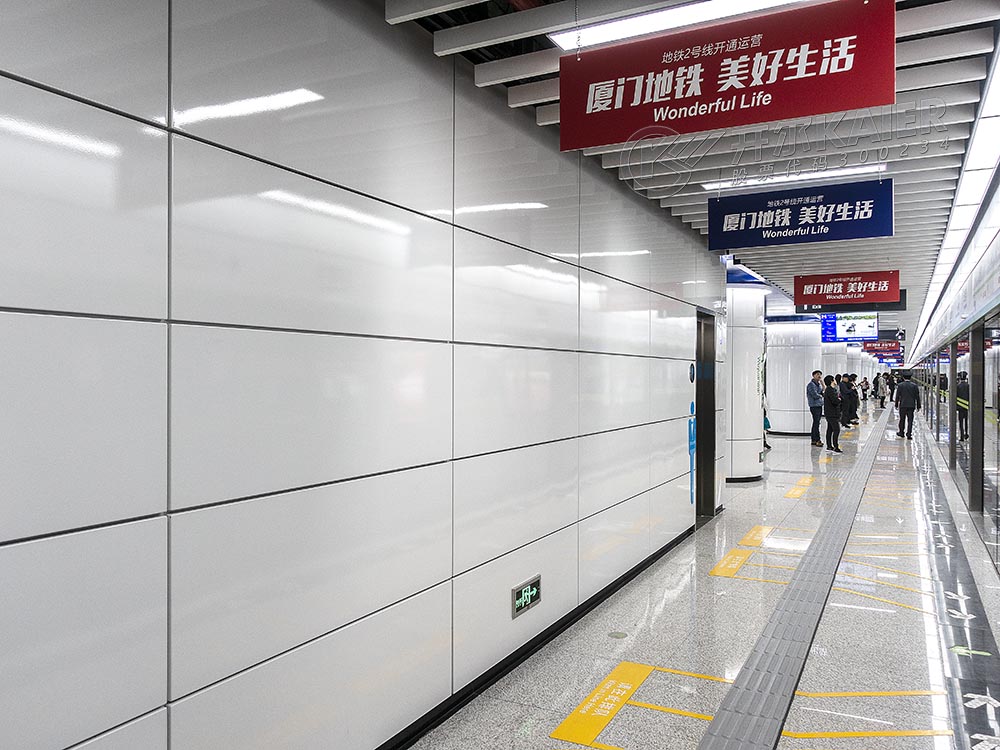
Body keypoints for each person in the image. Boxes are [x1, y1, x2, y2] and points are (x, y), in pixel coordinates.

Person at [895, 372, 921, 439]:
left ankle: (901, 432)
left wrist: (896, 404)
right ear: (910, 377)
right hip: (911, 405)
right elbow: (917, 396)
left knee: (902, 419)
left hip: (903, 405)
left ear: (903, 377)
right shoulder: (914, 386)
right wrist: (918, 406)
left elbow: (897, 396)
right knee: (910, 420)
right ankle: (909, 434)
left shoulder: (900, 385)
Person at [823, 375, 842, 453]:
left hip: (830, 413)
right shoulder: (830, 390)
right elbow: (835, 401)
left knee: (830, 429)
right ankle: (835, 446)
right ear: (831, 381)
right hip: (832, 413)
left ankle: (829, 446)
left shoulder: (829, 389)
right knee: (836, 429)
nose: (835, 381)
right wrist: (839, 399)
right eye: (834, 379)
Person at [807, 370, 824, 447]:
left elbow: (822, 392)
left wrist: (822, 384)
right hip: (814, 406)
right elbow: (815, 395)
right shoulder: (811, 385)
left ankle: (814, 439)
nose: (819, 376)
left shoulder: (818, 384)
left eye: (820, 374)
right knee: (816, 423)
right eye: (817, 374)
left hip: (819, 405)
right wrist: (821, 396)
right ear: (813, 375)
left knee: (816, 423)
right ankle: (817, 440)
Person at [957, 371, 970, 440]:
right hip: (966, 406)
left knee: (961, 421)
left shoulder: (958, 386)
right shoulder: (968, 386)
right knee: (966, 421)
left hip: (960, 407)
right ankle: (966, 433)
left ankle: (962, 436)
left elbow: (956, 396)